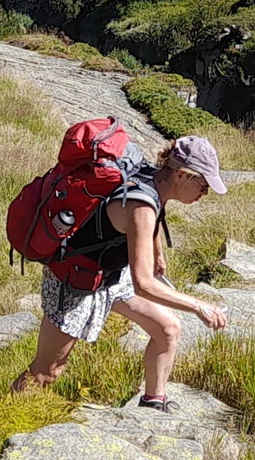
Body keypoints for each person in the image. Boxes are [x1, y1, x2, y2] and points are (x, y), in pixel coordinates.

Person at [17, 133, 229, 412]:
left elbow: (152, 212)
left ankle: (153, 405)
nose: (205, 194)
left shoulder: (153, 177)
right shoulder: (142, 207)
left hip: (110, 277)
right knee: (47, 372)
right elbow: (144, 284)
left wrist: (157, 253)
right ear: (182, 175)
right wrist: (198, 305)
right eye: (203, 185)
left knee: (168, 329)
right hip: (76, 281)